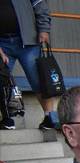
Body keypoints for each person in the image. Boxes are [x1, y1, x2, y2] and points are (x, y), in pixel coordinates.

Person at [0, 0, 57, 129]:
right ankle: (7, 119)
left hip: (28, 41)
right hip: (2, 44)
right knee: (1, 81)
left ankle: (49, 117)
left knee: (39, 79)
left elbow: (40, 4)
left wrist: (43, 29)